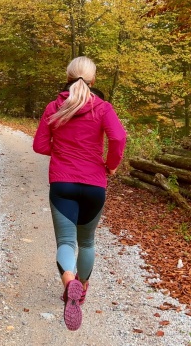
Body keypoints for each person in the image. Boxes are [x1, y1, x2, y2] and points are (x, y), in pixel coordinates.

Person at [32, 56, 127, 331]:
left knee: (65, 241)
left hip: (62, 183)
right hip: (95, 184)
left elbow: (39, 145)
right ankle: (80, 290)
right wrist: (110, 166)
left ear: (68, 76)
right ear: (93, 79)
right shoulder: (103, 107)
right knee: (86, 243)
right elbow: (119, 138)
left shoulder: (54, 106)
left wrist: (62, 152)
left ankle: (69, 281)